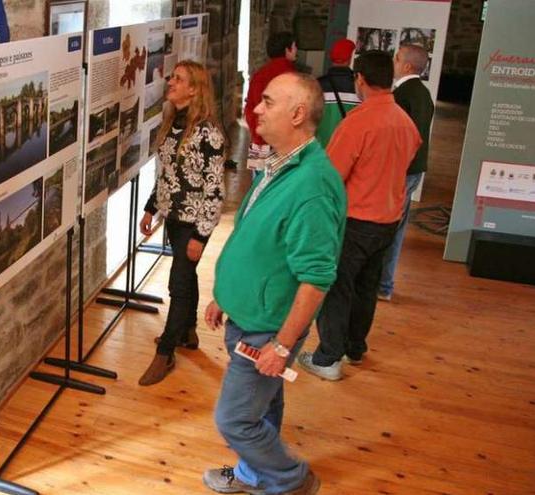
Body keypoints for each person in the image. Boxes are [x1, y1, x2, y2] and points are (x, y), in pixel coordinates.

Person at [202, 72, 346, 495]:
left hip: (268, 328)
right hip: (249, 316)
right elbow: (255, 236)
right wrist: (224, 295)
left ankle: (290, 479)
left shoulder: (312, 186)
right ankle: (252, 474)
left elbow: (317, 278)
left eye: (267, 102)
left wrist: (281, 346)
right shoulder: (281, 164)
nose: (257, 109)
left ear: (298, 114)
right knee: (264, 406)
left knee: (234, 419)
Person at [298, 51, 421, 381]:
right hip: (388, 220)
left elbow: (332, 177)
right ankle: (355, 347)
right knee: (367, 287)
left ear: (361, 79)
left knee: (337, 287)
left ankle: (327, 359)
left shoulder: (358, 123)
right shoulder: (405, 122)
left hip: (355, 220)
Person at [137, 60, 226, 386]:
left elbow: (216, 189)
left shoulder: (208, 133)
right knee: (185, 277)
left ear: (194, 88)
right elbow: (167, 175)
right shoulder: (171, 121)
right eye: (172, 77)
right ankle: (188, 332)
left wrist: (201, 236)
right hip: (172, 216)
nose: (170, 82)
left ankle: (166, 350)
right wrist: (150, 208)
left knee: (178, 282)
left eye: (178, 79)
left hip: (193, 221)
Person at [378, 44, 435, 301]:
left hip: (402, 171)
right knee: (397, 227)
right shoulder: (422, 94)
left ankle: (383, 285)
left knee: (388, 227)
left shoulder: (403, 96)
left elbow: (400, 138)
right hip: (413, 170)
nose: (394, 61)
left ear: (408, 66)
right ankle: (384, 284)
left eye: (397, 58)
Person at [244, 32, 297, 162]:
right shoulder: (293, 77)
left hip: (259, 139)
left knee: (259, 180)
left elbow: (250, 107)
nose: (296, 50)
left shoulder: (259, 75)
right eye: (294, 46)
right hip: (283, 143)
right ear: (287, 50)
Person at [315, 38, 360, 147]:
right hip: (348, 150)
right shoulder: (359, 86)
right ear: (349, 59)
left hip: (321, 150)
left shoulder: (317, 85)